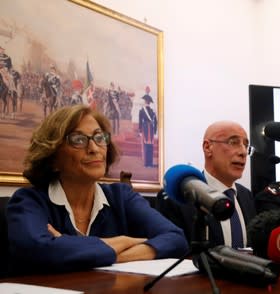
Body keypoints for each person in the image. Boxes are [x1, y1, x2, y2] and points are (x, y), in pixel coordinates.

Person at [6, 105, 188, 276]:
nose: (94, 148)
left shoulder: (121, 197)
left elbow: (176, 239)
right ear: (53, 157)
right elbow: (39, 250)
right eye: (78, 140)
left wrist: (78, 249)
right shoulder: (28, 201)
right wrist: (124, 241)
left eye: (99, 138)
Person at [156, 121, 257, 249]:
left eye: (246, 145)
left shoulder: (246, 196)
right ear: (208, 147)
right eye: (233, 142)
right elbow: (172, 251)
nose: (243, 152)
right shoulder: (179, 195)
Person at [138, 88, 157, 167]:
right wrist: (155, 131)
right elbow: (155, 122)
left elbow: (140, 121)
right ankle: (149, 163)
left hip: (146, 128)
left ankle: (148, 163)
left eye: (147, 101)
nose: (147, 102)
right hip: (149, 129)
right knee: (148, 146)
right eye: (147, 101)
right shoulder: (149, 111)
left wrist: (140, 131)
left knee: (148, 146)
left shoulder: (145, 111)